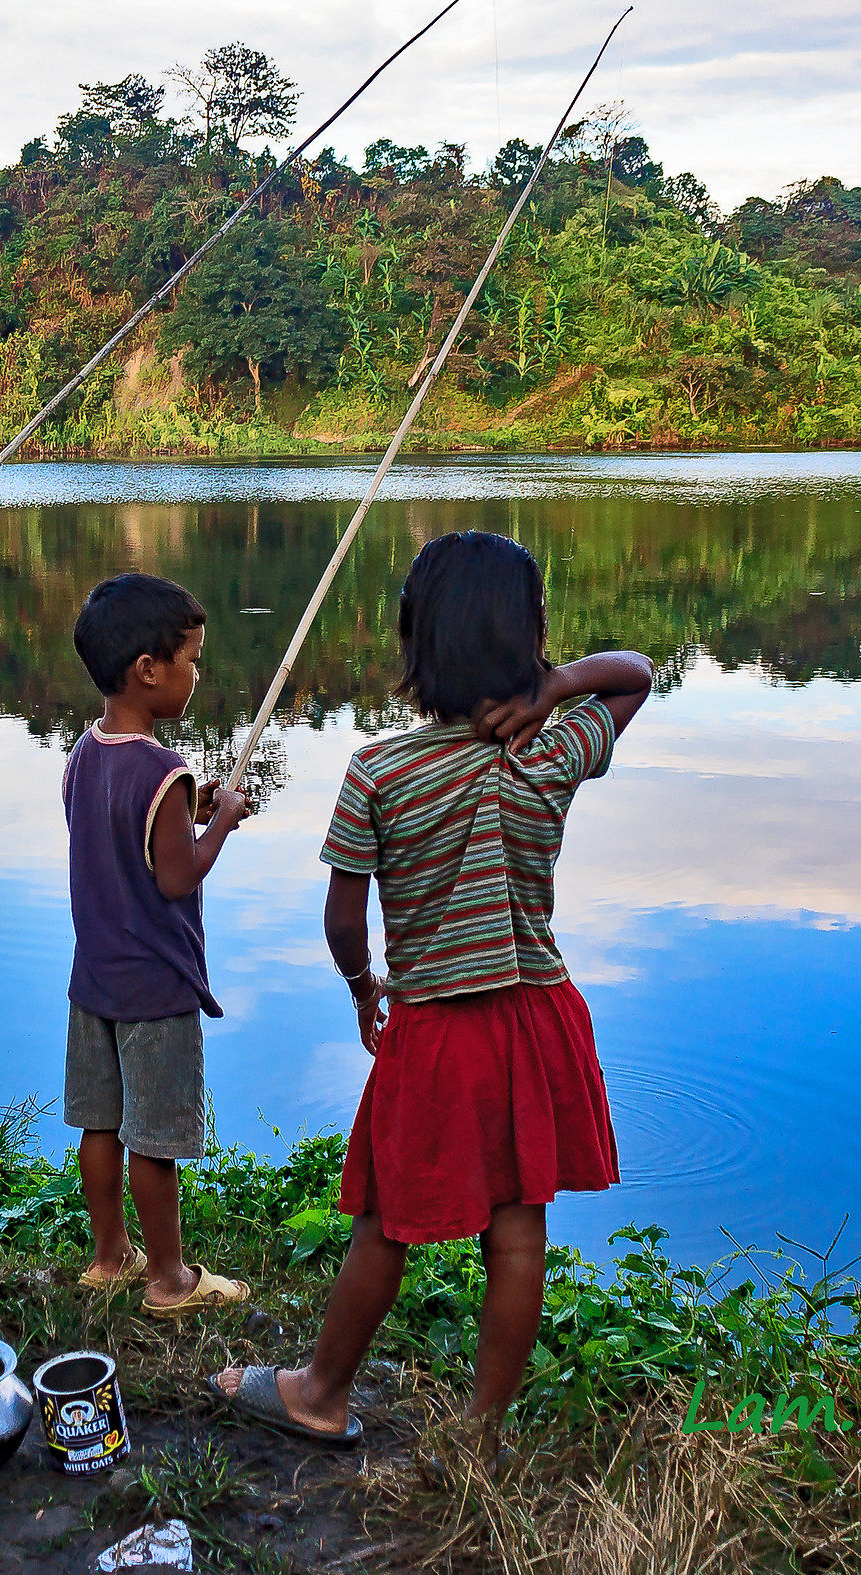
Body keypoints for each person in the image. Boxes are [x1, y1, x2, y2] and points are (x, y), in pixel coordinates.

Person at [212, 530, 653, 1451]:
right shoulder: (557, 746)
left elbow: (343, 918)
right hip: (537, 1015)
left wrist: (360, 981)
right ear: (530, 637)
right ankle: (481, 1436)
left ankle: (321, 1393)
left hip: (438, 1024)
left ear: (415, 642)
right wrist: (558, 686)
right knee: (518, 1232)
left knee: (385, 1223)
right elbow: (637, 674)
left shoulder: (379, 770)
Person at [63, 573, 254, 1316]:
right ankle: (169, 1278)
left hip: (94, 982)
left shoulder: (86, 751)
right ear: (150, 668)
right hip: (156, 987)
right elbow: (177, 876)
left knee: (100, 1124)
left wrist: (189, 811)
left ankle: (110, 1257)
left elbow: (116, 836)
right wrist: (221, 822)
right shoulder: (163, 769)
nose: (197, 675)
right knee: (155, 1140)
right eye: (192, 660)